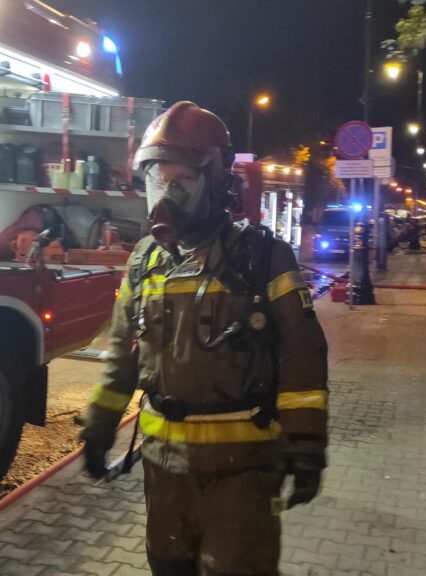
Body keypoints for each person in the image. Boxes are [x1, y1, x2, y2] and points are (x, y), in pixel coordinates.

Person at [79, 102, 330, 576]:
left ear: (215, 182)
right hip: (163, 470)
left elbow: (303, 354)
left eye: (182, 181)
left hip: (243, 473)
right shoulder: (144, 261)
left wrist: (306, 444)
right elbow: (122, 356)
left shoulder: (262, 257)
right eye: (158, 180)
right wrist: (98, 427)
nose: (166, 195)